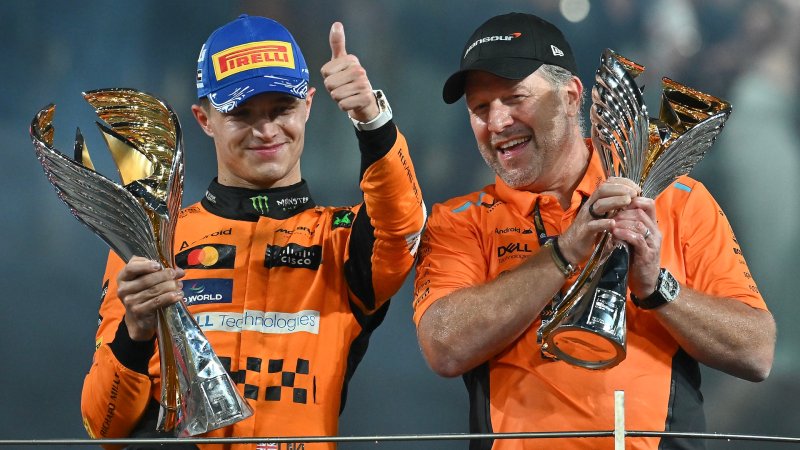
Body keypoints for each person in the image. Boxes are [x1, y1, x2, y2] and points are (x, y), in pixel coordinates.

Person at [413, 12, 775, 450]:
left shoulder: (675, 199)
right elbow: (444, 346)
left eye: (514, 97)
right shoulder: (460, 220)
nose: (497, 122)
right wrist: (565, 251)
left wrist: (655, 288)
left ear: (570, 96)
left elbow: (756, 351)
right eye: (480, 108)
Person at [80, 14, 426, 450]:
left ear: (309, 106)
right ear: (204, 119)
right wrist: (135, 330)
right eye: (241, 114)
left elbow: (404, 226)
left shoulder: (341, 237)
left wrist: (372, 121)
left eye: (281, 109)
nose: (266, 130)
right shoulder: (153, 243)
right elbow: (102, 426)